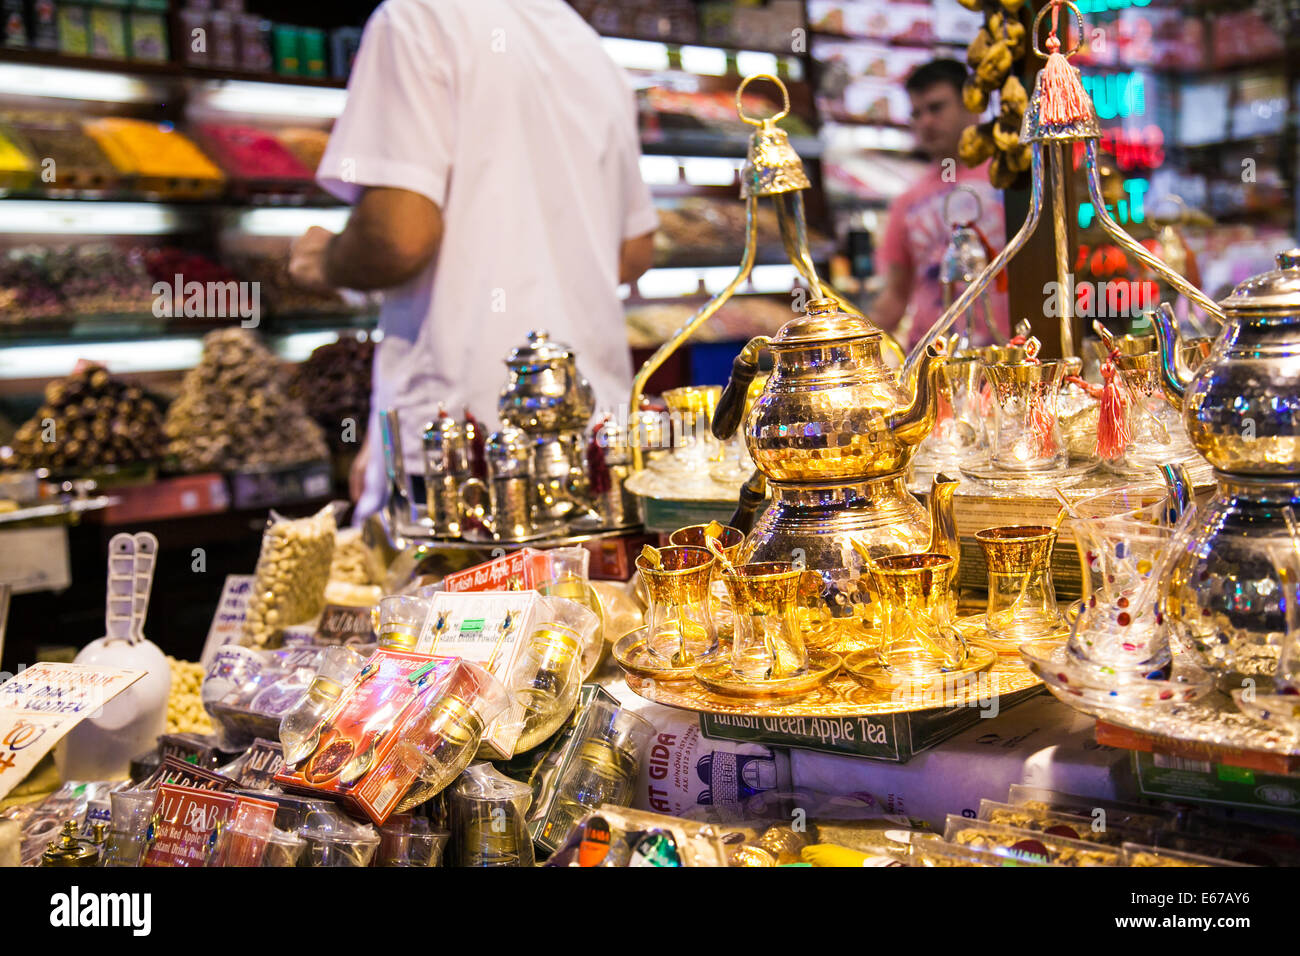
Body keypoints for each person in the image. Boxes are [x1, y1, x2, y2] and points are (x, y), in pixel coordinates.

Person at [288, 0, 657, 517]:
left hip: (467, 449)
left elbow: (398, 237)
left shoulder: (416, 17)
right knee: (578, 597)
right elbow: (635, 249)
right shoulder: (590, 52)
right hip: (593, 441)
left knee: (453, 600)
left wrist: (325, 259)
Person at [871, 59, 1009, 350]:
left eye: (936, 108)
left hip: (1011, 360)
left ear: (971, 105)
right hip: (931, 367)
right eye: (916, 113)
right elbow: (895, 296)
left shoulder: (1010, 179)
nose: (925, 122)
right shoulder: (908, 201)